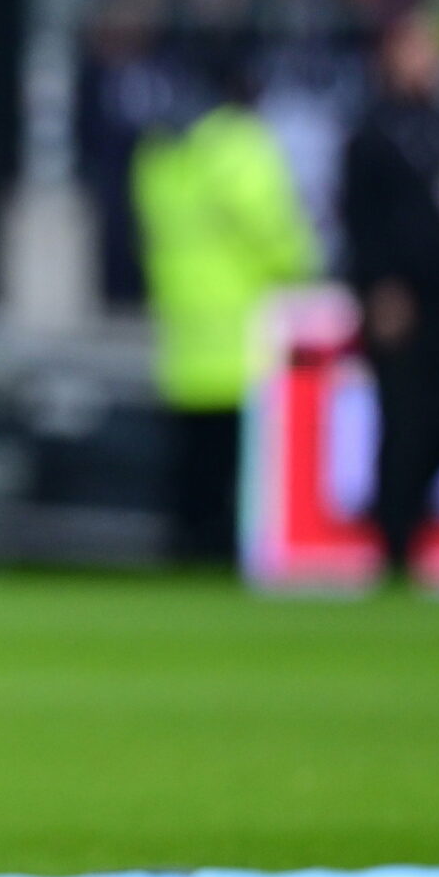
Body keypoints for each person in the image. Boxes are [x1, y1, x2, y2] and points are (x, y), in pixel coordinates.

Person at [130, 60, 318, 563]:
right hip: (244, 334)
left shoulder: (156, 157)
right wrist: (307, 271)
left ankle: (187, 549)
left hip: (182, 334)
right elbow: (278, 235)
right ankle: (229, 552)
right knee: (243, 469)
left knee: (190, 464)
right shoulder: (240, 147)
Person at [342, 8, 439, 579]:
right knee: (402, 422)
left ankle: (399, 510)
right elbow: (360, 219)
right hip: (396, 302)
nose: (430, 61)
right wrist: (377, 287)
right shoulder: (374, 133)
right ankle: (395, 544)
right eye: (417, 49)